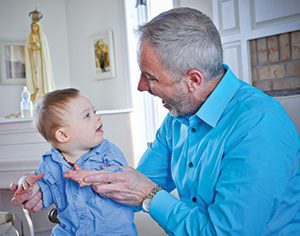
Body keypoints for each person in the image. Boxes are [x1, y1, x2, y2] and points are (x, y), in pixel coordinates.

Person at [11, 7, 300, 235]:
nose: (140, 86)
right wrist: (50, 192)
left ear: (193, 80)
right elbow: (125, 188)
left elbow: (222, 232)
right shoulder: (177, 119)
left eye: (150, 77)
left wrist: (149, 195)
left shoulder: (259, 127)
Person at [12, 88, 137, 235]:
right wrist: (28, 186)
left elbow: (122, 178)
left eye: (94, 112)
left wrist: (92, 177)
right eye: (87, 116)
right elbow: (43, 188)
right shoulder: (50, 163)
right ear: (63, 135)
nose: (98, 118)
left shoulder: (107, 152)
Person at [25, 9, 55, 102]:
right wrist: (31, 47)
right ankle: (35, 93)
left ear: (38, 27)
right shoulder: (29, 37)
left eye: (35, 27)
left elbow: (44, 51)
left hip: (41, 62)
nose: (34, 28)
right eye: (32, 27)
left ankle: (43, 92)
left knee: (41, 76)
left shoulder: (43, 37)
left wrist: (38, 46)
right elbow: (27, 48)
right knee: (34, 76)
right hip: (33, 59)